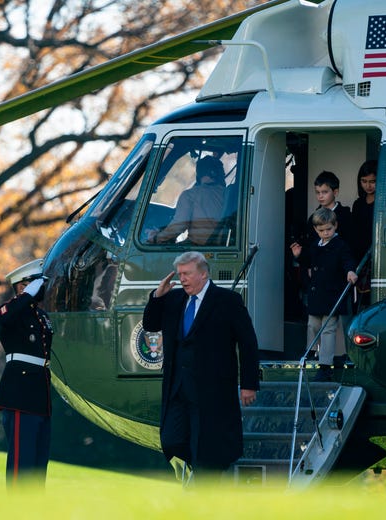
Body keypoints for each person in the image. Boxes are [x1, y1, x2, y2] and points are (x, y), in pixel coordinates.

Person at [143, 251, 259, 486]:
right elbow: (151, 325)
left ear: (203, 274)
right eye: (180, 274)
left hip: (212, 388)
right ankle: (201, 466)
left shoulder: (227, 301)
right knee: (171, 440)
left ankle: (206, 479)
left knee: (206, 441)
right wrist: (157, 296)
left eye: (187, 274)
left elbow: (248, 344)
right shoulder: (174, 299)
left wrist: (248, 384)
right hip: (178, 386)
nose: (182, 278)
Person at [0, 258, 54, 487]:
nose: (42, 288)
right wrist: (26, 296)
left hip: (40, 396)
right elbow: (3, 316)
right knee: (22, 464)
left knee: (38, 467)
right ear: (23, 286)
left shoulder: (41, 317)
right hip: (20, 395)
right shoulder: (12, 311)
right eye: (37, 283)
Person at [290, 208, 357, 382]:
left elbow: (347, 260)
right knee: (312, 324)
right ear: (315, 230)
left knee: (328, 329)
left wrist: (350, 271)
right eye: (321, 230)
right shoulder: (315, 245)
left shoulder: (340, 245)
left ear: (335, 226)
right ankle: (311, 351)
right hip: (317, 294)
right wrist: (299, 256)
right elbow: (308, 260)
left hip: (332, 295)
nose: (325, 233)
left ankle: (325, 365)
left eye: (329, 229)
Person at [149, 156, 226, 245]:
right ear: (220, 175)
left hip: (198, 249)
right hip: (223, 247)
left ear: (199, 175)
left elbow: (179, 225)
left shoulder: (190, 195)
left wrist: (155, 238)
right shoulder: (228, 195)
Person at [351, 160, 377, 313]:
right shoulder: (358, 204)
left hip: (375, 256)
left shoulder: (381, 203)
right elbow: (355, 233)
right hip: (360, 258)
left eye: (373, 181)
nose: (368, 185)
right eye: (364, 181)